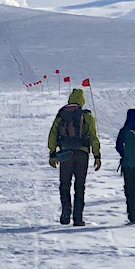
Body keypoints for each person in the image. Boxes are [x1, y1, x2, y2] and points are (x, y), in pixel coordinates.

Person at [47, 88, 102, 226]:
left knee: (64, 184)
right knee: (80, 186)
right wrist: (97, 155)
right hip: (82, 154)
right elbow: (93, 137)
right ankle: (78, 217)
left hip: (65, 154)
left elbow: (53, 134)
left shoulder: (62, 114)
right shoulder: (87, 116)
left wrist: (52, 153)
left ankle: (66, 213)